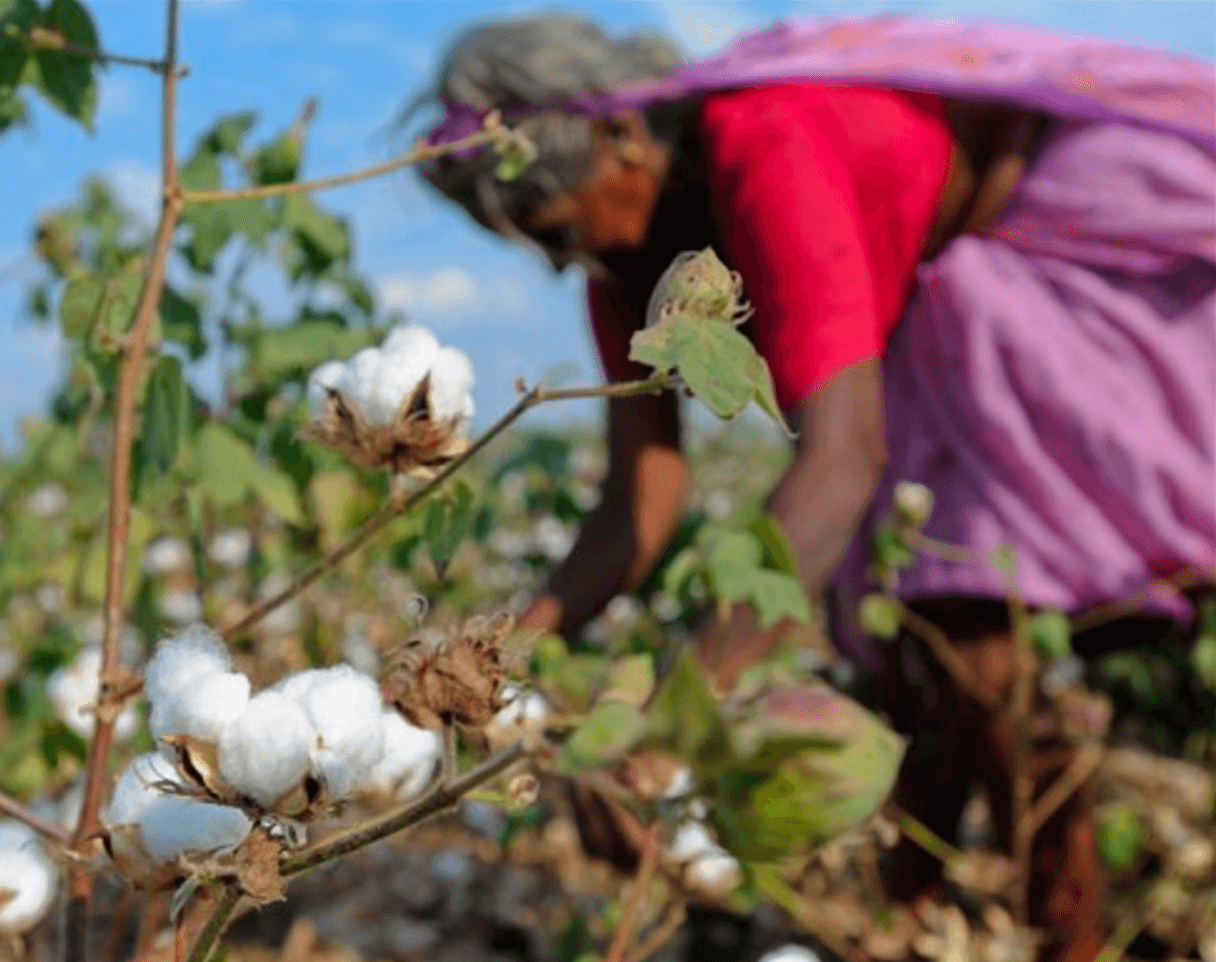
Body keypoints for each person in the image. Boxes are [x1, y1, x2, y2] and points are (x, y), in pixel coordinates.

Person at [415, 12, 1215, 962]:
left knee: (974, 644)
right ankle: (911, 915)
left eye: (552, 225)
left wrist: (670, 729)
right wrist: (490, 654)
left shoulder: (766, 141)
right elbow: (640, 501)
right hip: (936, 303)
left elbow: (840, 465)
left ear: (622, 136)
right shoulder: (631, 273)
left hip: (1054, 243)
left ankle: (1068, 938)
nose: (556, 260)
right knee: (935, 644)